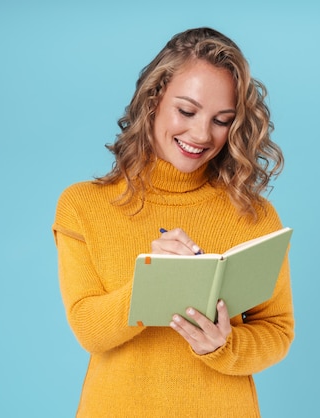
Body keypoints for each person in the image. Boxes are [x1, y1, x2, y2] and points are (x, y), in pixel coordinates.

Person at [52, 27, 294, 417]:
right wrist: (155, 279)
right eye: (187, 111)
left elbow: (277, 331)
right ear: (153, 100)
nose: (201, 134)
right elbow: (88, 330)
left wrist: (223, 346)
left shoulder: (254, 214)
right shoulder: (83, 205)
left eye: (222, 120)